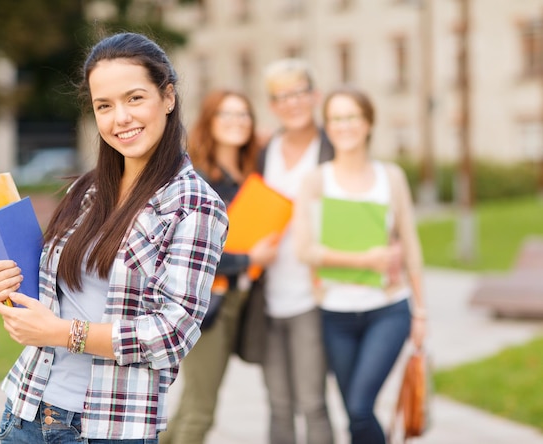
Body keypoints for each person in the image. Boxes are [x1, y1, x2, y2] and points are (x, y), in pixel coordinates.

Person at [0, 32, 229, 443]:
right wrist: (7, 280)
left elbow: (171, 333)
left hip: (108, 428)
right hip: (26, 410)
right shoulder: (88, 189)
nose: (120, 118)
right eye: (104, 106)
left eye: (134, 98)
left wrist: (61, 333)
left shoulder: (195, 204)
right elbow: (57, 298)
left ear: (167, 97)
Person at [293, 85, 426, 444]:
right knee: (355, 416)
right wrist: (363, 258)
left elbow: (411, 247)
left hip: (387, 309)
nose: (344, 125)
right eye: (336, 118)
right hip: (335, 314)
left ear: (368, 123)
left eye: (352, 116)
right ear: (328, 126)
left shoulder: (391, 177)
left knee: (360, 408)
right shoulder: (316, 180)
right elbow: (304, 250)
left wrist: (421, 313)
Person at [159, 90, 279, 444]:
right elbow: (190, 252)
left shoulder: (249, 173)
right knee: (201, 409)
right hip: (204, 305)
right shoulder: (196, 177)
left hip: (236, 302)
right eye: (226, 115)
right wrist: (249, 260)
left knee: (191, 404)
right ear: (209, 122)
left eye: (243, 115)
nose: (236, 122)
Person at [257, 58, 335, 444]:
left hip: (311, 297)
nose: (292, 103)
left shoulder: (331, 149)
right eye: (282, 96)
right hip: (268, 296)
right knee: (278, 404)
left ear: (314, 96)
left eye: (299, 93)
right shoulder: (265, 150)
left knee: (313, 403)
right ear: (272, 105)